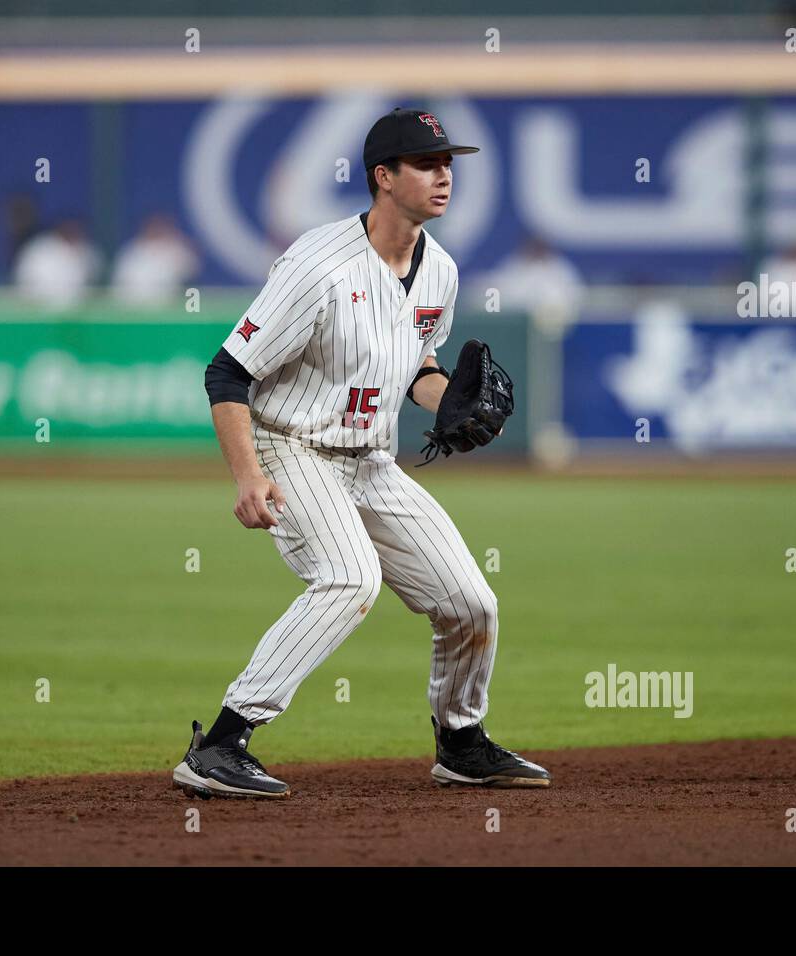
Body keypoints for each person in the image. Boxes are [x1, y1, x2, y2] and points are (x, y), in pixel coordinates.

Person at [173, 108, 550, 799]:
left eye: (448, 164)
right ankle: (222, 743)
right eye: (427, 164)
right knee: (349, 579)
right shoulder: (317, 264)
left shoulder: (441, 272)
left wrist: (452, 401)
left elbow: (415, 369)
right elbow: (227, 373)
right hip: (292, 446)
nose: (444, 176)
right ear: (384, 176)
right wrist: (248, 476)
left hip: (372, 460)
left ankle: (461, 744)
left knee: (472, 602)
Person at [110, 213, 199, 306]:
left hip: (166, 307)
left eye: (161, 228)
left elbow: (193, 267)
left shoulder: (174, 249)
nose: (156, 231)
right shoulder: (132, 250)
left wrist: (180, 241)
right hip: (132, 306)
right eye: (154, 228)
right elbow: (120, 282)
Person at [12, 218, 102, 310]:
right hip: (39, 312)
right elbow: (24, 290)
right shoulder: (38, 251)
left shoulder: (88, 252)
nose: (72, 230)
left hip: (77, 314)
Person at [480, 234, 584, 313]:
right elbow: (497, 290)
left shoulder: (561, 270)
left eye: (540, 248)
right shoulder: (514, 266)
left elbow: (575, 297)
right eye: (534, 247)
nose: (536, 251)